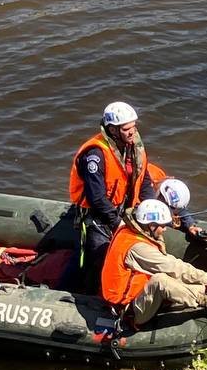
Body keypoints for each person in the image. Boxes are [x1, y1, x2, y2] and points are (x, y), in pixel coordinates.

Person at [67, 101, 157, 293]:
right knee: (97, 258)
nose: (132, 132)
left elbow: (144, 180)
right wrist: (117, 223)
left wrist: (151, 208)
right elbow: (96, 197)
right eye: (127, 129)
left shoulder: (133, 147)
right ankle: (82, 293)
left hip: (121, 208)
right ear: (113, 130)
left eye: (134, 126)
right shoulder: (95, 155)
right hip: (98, 216)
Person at [100, 199, 207, 327]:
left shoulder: (129, 231)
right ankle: (205, 301)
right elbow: (173, 266)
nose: (164, 229)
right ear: (151, 225)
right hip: (128, 309)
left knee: (171, 278)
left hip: (138, 292)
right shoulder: (136, 248)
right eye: (162, 226)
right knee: (161, 280)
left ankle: (205, 289)